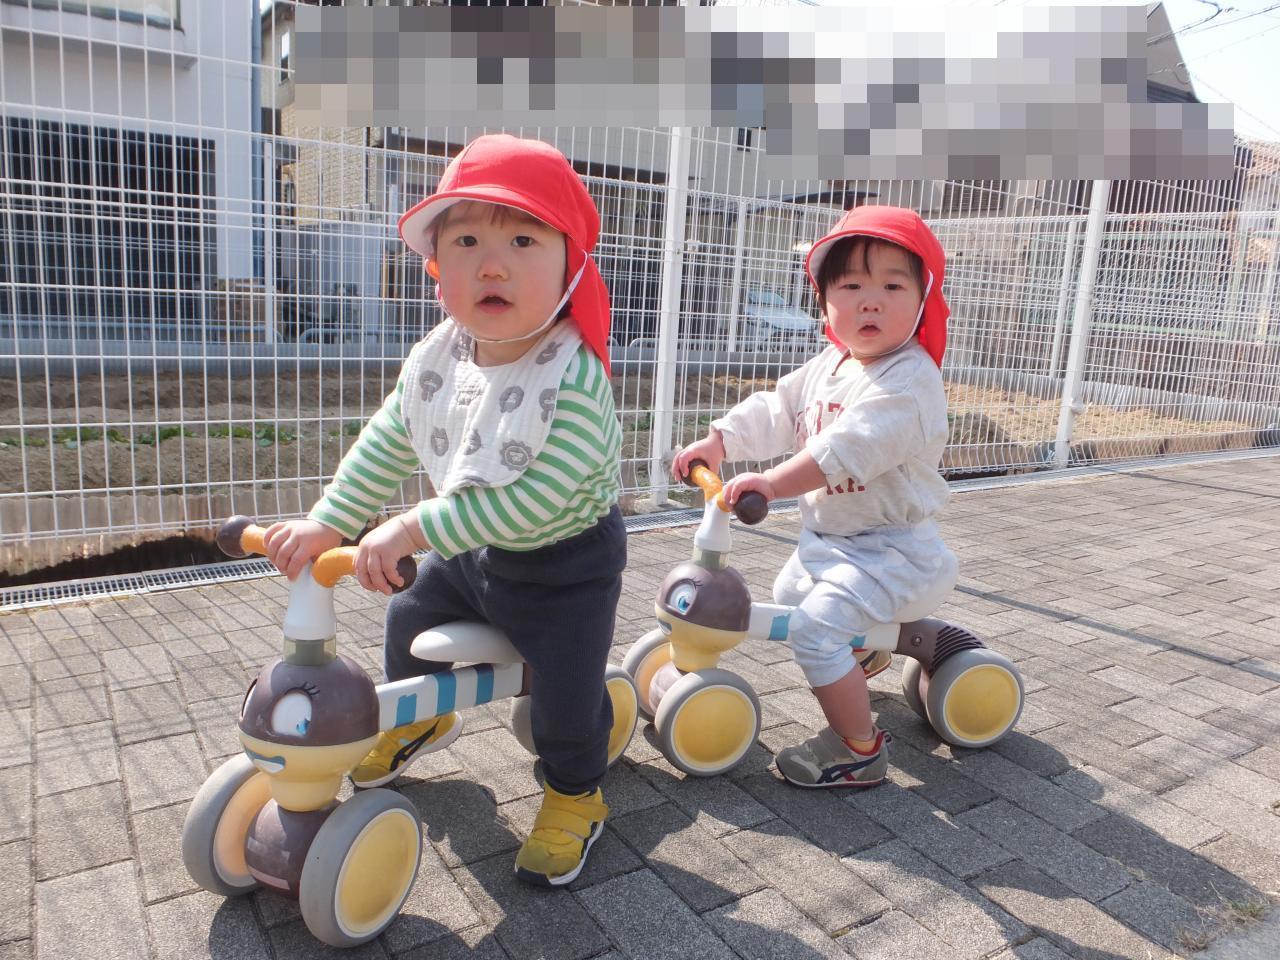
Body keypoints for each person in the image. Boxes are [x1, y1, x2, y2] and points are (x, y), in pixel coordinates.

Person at [263, 134, 625, 886]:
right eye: (465, 241)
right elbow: (389, 440)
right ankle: (424, 717)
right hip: (473, 552)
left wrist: (411, 527)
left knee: (564, 696)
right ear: (434, 267)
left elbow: (536, 502)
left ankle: (575, 793)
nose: (492, 264)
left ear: (571, 265)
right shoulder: (440, 357)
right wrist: (332, 520)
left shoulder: (574, 375)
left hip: (567, 566)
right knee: (408, 617)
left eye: (523, 240)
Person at [672, 205, 952, 788]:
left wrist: (772, 484)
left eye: (892, 286)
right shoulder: (831, 364)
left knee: (813, 629)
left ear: (923, 300)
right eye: (851, 286)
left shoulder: (909, 381)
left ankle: (858, 748)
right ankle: (865, 650)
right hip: (831, 542)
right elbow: (777, 409)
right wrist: (720, 440)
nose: (870, 302)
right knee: (789, 594)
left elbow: (846, 448)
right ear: (824, 302)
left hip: (892, 552)